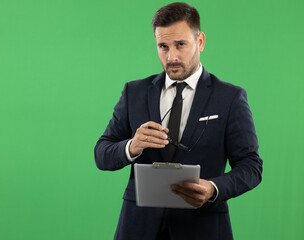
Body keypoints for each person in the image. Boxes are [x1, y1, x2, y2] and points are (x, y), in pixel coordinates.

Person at [94, 2, 263, 240]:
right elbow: (101, 153)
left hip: (202, 227)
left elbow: (251, 166)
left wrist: (213, 189)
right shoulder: (134, 92)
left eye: (180, 45)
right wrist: (131, 146)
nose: (171, 56)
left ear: (200, 41)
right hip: (137, 227)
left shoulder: (230, 97)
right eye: (163, 46)